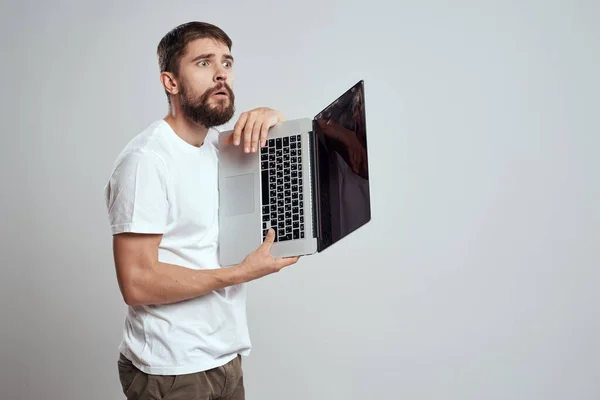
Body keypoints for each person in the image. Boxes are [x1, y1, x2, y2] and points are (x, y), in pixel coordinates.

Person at [103, 21, 299, 400]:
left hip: (225, 358)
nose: (221, 74)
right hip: (171, 368)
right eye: (204, 63)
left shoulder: (218, 150)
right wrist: (239, 273)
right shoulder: (146, 161)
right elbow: (137, 282)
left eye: (227, 62)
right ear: (170, 82)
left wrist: (277, 121)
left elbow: (303, 181)